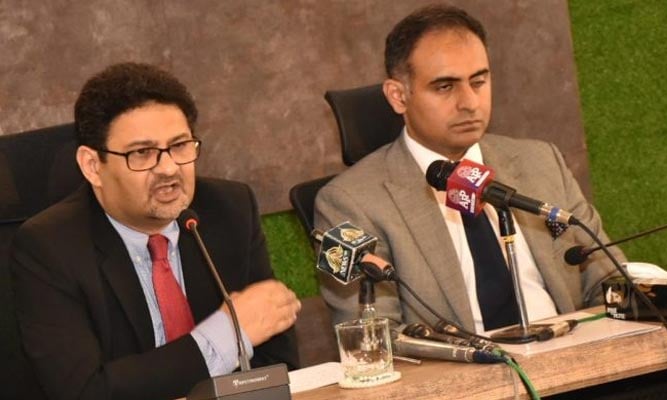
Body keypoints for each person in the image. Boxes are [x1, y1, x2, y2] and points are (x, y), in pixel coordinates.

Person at [315, 5, 623, 333]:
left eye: (479, 81)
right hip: (465, 374)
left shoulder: (541, 163)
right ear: (398, 96)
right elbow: (373, 335)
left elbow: (609, 279)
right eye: (445, 87)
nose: (470, 102)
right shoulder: (347, 204)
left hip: (571, 355)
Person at [10, 62, 300, 400]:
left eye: (179, 146)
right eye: (142, 153)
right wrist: (223, 336)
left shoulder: (228, 210)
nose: (168, 168)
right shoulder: (50, 247)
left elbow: (278, 364)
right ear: (92, 166)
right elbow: (85, 391)